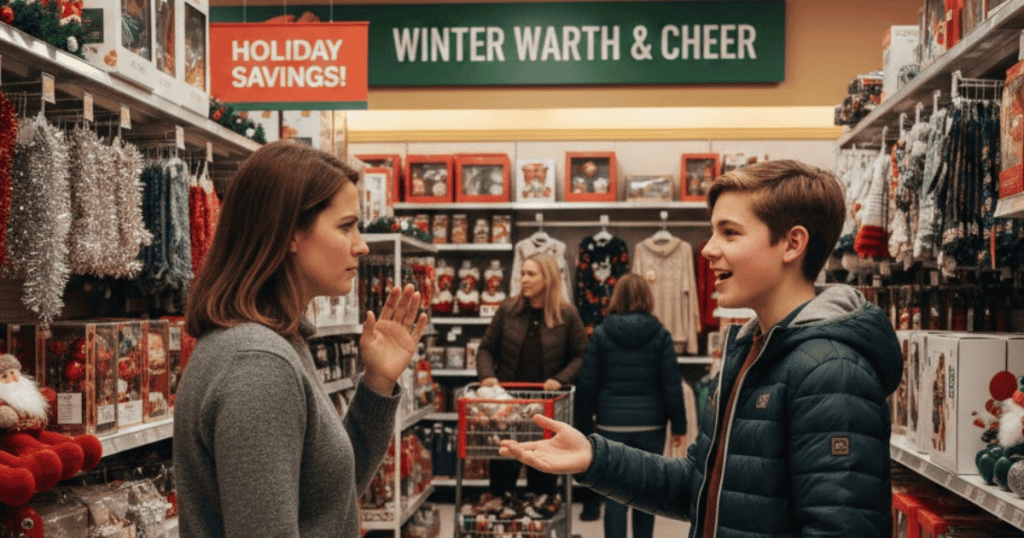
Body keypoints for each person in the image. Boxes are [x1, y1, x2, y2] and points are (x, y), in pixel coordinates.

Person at [499, 159, 902, 537]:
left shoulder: (832, 373)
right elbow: (700, 484)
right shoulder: (750, 352)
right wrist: (594, 457)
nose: (708, 249)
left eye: (729, 232)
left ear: (792, 244)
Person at [174, 141, 428, 538]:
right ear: (290, 233)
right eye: (346, 226)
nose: (361, 245)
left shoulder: (276, 344)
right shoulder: (257, 364)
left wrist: (377, 384)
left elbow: (325, 499)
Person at [574, 273, 688, 538]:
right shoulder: (660, 334)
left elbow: (587, 383)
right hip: (651, 425)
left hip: (610, 424)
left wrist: (582, 426)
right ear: (647, 298)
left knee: (614, 493)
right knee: (647, 494)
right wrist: (679, 425)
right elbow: (671, 383)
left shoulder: (602, 334)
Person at [477, 252, 588, 497]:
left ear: (547, 279)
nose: (523, 279)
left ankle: (540, 525)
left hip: (546, 412)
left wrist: (560, 379)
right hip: (507, 409)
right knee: (502, 476)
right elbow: (486, 348)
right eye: (522, 273)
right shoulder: (508, 309)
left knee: (543, 480)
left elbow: (582, 354)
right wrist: (487, 375)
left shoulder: (566, 314)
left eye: (531, 274)